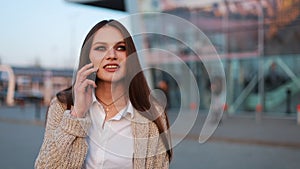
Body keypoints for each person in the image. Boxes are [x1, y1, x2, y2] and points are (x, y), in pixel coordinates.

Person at [35, 19, 172, 169]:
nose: (111, 55)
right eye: (101, 48)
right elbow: (45, 166)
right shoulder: (62, 106)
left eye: (120, 48)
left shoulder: (153, 113)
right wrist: (76, 115)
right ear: (88, 57)